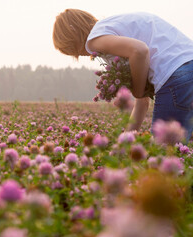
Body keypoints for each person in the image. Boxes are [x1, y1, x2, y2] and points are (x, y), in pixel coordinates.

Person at [52, 9, 193, 142]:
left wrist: (138, 90)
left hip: (175, 75)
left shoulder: (95, 39)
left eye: (70, 49)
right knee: (178, 148)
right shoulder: (115, 27)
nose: (78, 55)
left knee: (164, 155)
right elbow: (142, 102)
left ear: (72, 34)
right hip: (188, 63)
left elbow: (139, 50)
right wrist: (125, 143)